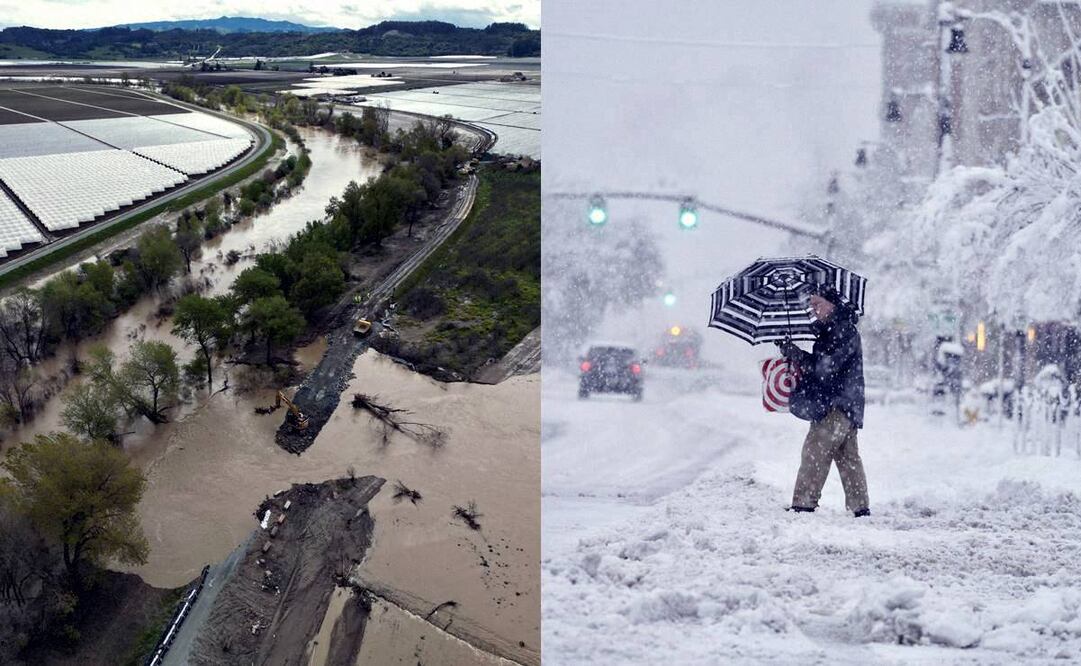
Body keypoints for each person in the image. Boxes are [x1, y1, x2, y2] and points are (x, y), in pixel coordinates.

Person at [777, 283, 870, 517]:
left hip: (835, 404)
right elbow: (825, 366)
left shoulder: (841, 331)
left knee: (814, 451)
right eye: (812, 305)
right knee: (847, 457)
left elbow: (825, 369)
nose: (814, 309)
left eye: (818, 304)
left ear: (832, 304)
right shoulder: (836, 330)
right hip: (847, 404)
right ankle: (860, 508)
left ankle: (803, 505)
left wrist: (796, 354)